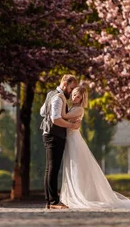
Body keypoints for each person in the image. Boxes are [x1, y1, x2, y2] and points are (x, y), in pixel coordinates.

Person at [59, 86, 130, 210]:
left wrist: (61, 99)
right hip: (70, 138)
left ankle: (78, 195)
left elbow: (63, 115)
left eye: (78, 96)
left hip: (74, 140)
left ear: (82, 99)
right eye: (74, 94)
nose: (75, 97)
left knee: (76, 167)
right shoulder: (73, 107)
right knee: (72, 167)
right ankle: (72, 194)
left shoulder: (79, 109)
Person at [39, 74, 81, 209]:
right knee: (53, 168)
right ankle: (53, 201)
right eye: (71, 88)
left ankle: (50, 201)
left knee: (50, 168)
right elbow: (56, 119)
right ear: (64, 84)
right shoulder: (58, 98)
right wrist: (71, 125)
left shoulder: (51, 94)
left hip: (48, 134)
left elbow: (42, 112)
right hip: (54, 135)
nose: (72, 91)